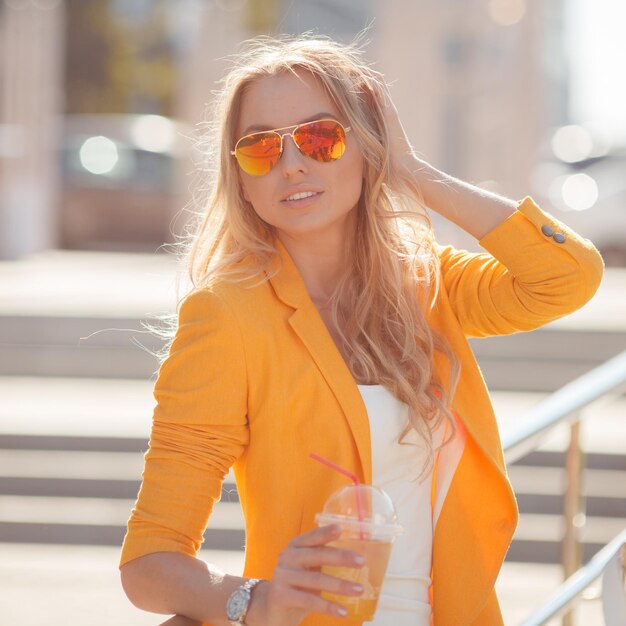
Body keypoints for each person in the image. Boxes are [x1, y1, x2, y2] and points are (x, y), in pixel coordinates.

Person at [119, 34, 604, 626]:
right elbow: (149, 559)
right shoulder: (227, 316)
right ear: (240, 175)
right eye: (261, 147)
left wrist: (412, 170)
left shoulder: (427, 287)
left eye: (323, 137)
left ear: (365, 146)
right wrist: (256, 599)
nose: (293, 162)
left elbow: (566, 277)